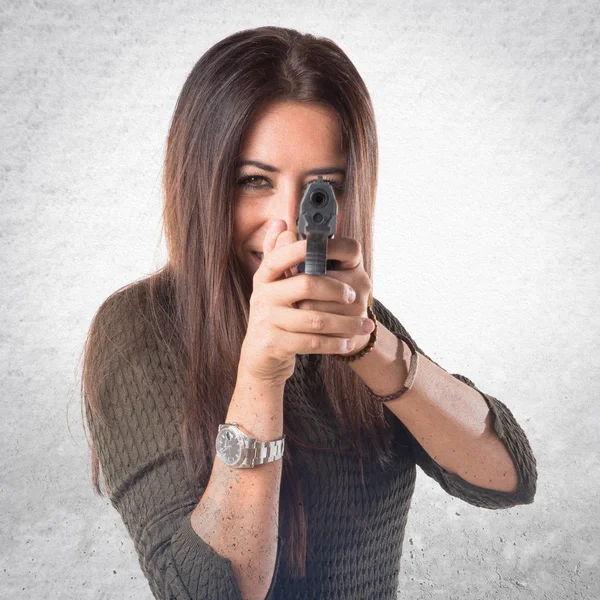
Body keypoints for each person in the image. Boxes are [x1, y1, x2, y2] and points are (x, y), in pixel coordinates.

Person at [81, 26, 537, 600]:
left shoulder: (357, 318)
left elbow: (507, 477)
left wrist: (369, 344)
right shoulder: (138, 331)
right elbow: (206, 592)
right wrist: (261, 375)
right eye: (254, 182)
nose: (289, 227)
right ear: (202, 183)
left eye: (321, 188)